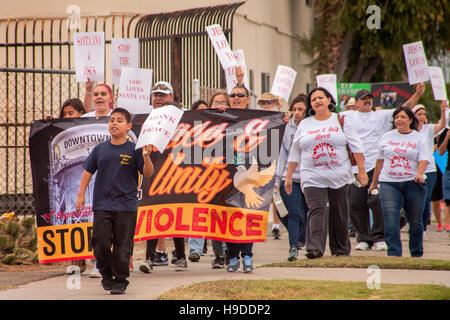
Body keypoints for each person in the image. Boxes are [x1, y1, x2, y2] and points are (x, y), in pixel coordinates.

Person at [75, 108, 155, 294]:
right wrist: (81, 195)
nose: (114, 123)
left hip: (126, 206)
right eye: (112, 120)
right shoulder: (100, 149)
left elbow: (148, 173)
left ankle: (120, 280)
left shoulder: (135, 149)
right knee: (100, 243)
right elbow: (88, 172)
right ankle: (106, 273)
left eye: (119, 120)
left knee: (122, 246)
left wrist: (146, 157)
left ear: (128, 126)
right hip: (102, 205)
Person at [285, 87, 367, 259]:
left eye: (320, 97)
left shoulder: (341, 120)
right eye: (313, 99)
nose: (317, 101)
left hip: (340, 176)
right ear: (311, 105)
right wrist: (288, 176)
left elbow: (356, 146)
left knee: (339, 212)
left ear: (329, 100)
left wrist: (361, 170)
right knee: (316, 210)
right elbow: (294, 151)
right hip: (312, 176)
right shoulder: (305, 124)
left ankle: (340, 249)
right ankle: (314, 248)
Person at [342, 83, 425, 252]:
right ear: (356, 103)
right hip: (356, 168)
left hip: (375, 166)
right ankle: (363, 238)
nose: (367, 102)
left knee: (376, 202)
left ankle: (379, 237)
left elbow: (404, 108)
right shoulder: (348, 115)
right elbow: (325, 117)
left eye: (369, 99)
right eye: (363, 100)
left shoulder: (380, 115)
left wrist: (417, 94)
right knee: (356, 203)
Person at [139, 81, 188, 272]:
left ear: (172, 97)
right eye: (155, 95)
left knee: (176, 214)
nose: (158, 98)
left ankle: (181, 256)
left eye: (162, 95)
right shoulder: (145, 115)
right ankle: (149, 258)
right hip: (152, 171)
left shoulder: (184, 116)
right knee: (153, 213)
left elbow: (208, 117)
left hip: (178, 172)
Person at [369, 107, 429, 257]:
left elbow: (424, 159)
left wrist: (420, 174)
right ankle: (394, 253)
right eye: (396, 117)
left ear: (410, 120)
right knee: (390, 218)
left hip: (413, 184)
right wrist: (374, 182)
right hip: (389, 183)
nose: (399, 120)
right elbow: (379, 162)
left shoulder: (418, 138)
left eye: (402, 117)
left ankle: (416, 253)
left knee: (415, 221)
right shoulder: (386, 137)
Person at [274, 93, 308, 261]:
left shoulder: (313, 126)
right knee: (293, 213)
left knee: (307, 213)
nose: (296, 112)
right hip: (290, 178)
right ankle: (293, 247)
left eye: (300, 109)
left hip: (311, 178)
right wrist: (277, 179)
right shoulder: (287, 128)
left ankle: (306, 240)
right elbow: (282, 155)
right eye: (294, 109)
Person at [255, 93, 290, 240]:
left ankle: (276, 225)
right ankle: (259, 227)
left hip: (278, 160)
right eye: (263, 102)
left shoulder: (283, 119)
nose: (266, 105)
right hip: (260, 161)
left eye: (269, 102)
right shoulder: (256, 120)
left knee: (276, 196)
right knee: (260, 197)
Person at [412, 102, 446, 234]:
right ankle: (414, 224)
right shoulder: (410, 131)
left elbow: (442, 125)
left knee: (425, 199)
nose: (422, 116)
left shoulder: (429, 129)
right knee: (414, 199)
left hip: (429, 169)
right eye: (419, 114)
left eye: (423, 114)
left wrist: (443, 111)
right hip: (413, 169)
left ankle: (423, 227)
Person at [437, 128, 450, 233]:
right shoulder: (446, 131)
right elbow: (441, 152)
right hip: (449, 170)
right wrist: (447, 137)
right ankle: (448, 225)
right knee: (447, 199)